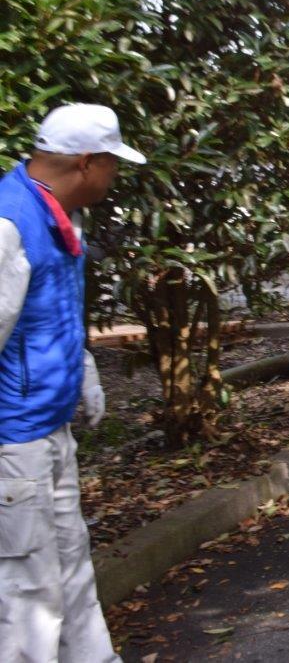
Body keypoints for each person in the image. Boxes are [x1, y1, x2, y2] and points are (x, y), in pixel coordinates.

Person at [0, 103, 147, 663]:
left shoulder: (59, 215)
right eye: (112, 165)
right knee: (28, 586)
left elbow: (48, 311)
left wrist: (80, 367)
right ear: (86, 162)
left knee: (69, 560)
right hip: (15, 440)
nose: (114, 177)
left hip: (48, 427)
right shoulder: (11, 222)